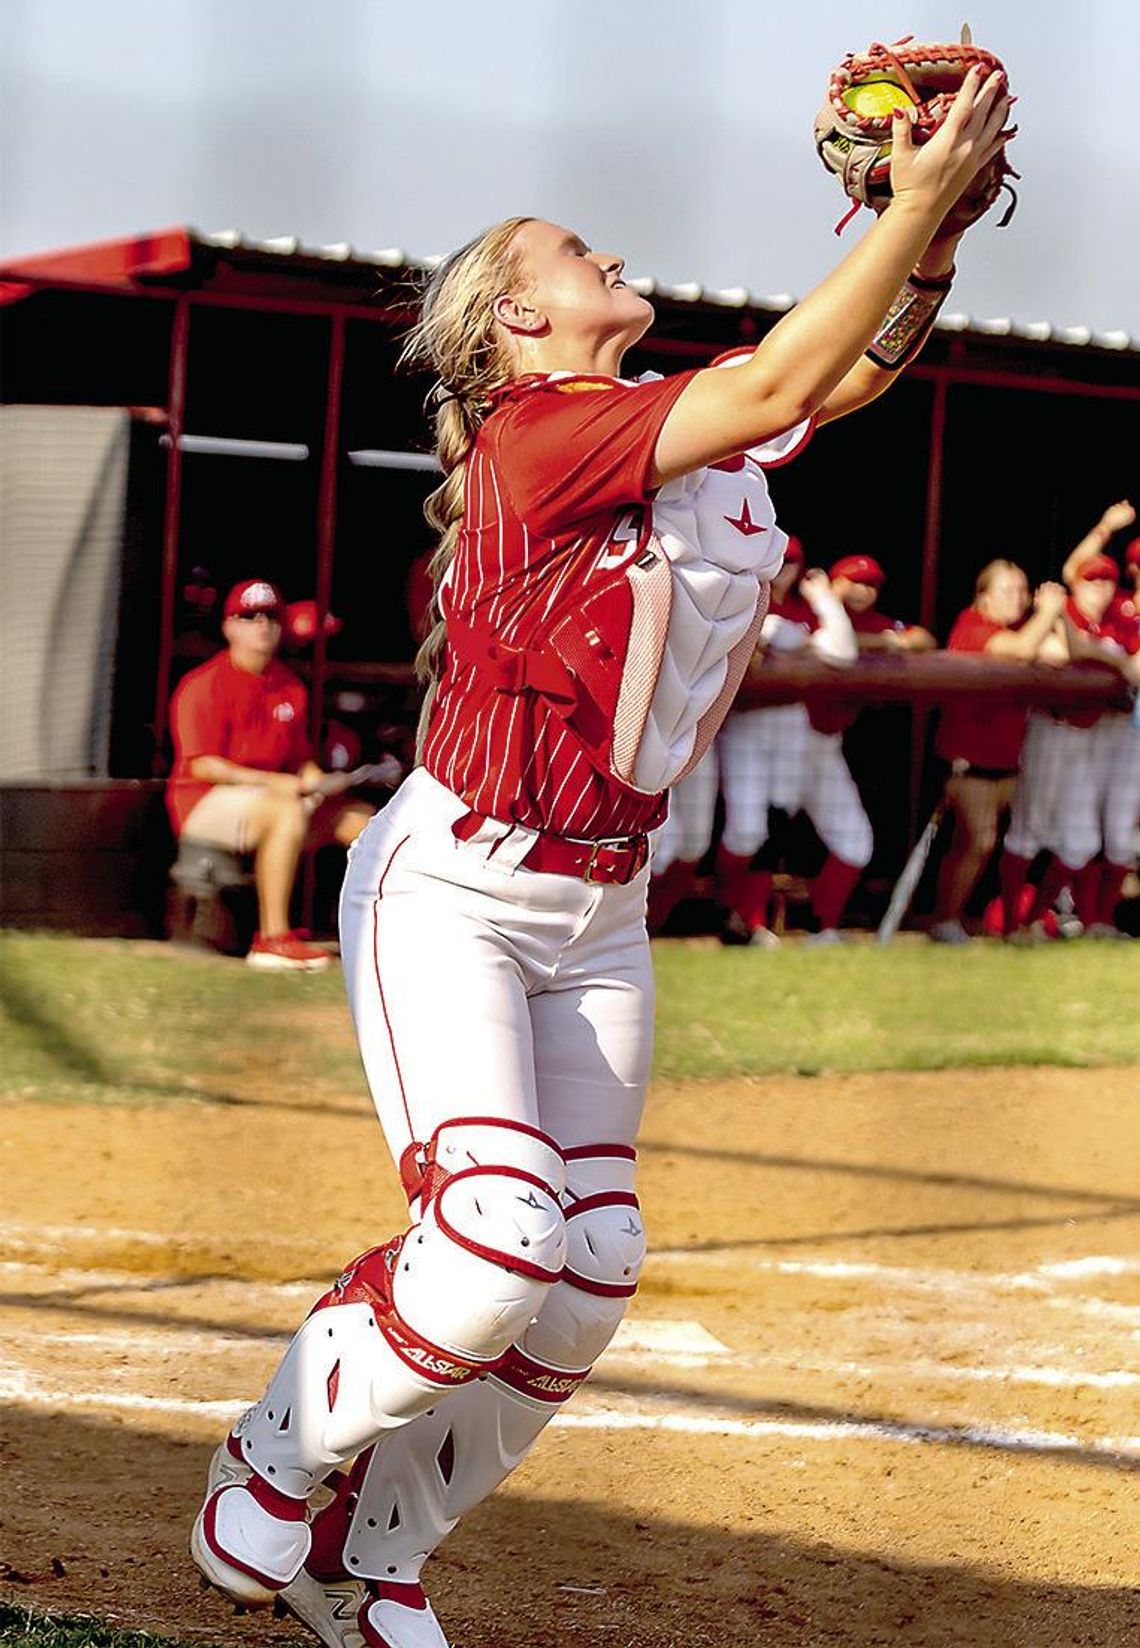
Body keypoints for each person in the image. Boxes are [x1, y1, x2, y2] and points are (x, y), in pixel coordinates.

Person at [190, 70, 1013, 1648]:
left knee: (591, 1270)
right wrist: (906, 203)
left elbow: (833, 378)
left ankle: (374, 1562)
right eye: (573, 249)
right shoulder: (538, 437)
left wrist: (938, 234)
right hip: (457, 890)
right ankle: (277, 1452)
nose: (609, 250)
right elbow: (782, 384)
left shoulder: (654, 431)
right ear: (515, 324)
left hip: (604, 901)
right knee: (497, 1242)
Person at [167, 578, 374, 970]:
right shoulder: (204, 684)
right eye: (249, 617)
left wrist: (319, 780)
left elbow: (300, 761)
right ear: (229, 626)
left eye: (270, 617)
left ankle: (380, 936)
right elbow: (203, 765)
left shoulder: (288, 686)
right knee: (284, 809)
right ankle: (272, 939)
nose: (261, 625)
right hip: (203, 803)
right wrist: (281, 784)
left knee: (365, 823)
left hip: (274, 799)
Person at [716, 552, 869, 944]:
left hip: (795, 731)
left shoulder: (806, 607)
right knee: (744, 833)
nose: (784, 569)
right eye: (778, 560)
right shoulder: (744, 595)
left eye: (791, 563)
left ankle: (759, 923)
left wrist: (822, 602)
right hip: (744, 727)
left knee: (777, 826)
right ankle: (732, 913)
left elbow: (843, 651)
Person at [930, 560, 1067, 944]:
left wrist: (1054, 624)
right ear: (984, 596)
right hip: (969, 762)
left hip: (1007, 761)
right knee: (979, 840)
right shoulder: (973, 625)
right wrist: (1050, 611)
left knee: (986, 843)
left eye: (1023, 590)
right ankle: (945, 920)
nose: (1019, 598)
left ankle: (989, 922)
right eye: (1008, 590)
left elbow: (1057, 653)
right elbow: (1022, 651)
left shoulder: (1016, 629)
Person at [1005, 552, 1140, 940]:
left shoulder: (1112, 623)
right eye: (1091, 581)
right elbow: (1061, 652)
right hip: (1050, 728)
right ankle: (1013, 924)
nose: (1100, 589)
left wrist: (1102, 655)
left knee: (1081, 844)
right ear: (1076, 584)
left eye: (1106, 582)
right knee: (1027, 831)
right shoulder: (1058, 611)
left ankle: (1034, 921)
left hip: (1088, 733)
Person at [829, 553, 936, 650]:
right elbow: (835, 640)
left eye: (870, 584)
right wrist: (885, 641)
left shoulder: (876, 621)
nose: (864, 590)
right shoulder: (814, 614)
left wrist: (891, 641)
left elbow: (925, 639)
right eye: (856, 581)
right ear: (835, 584)